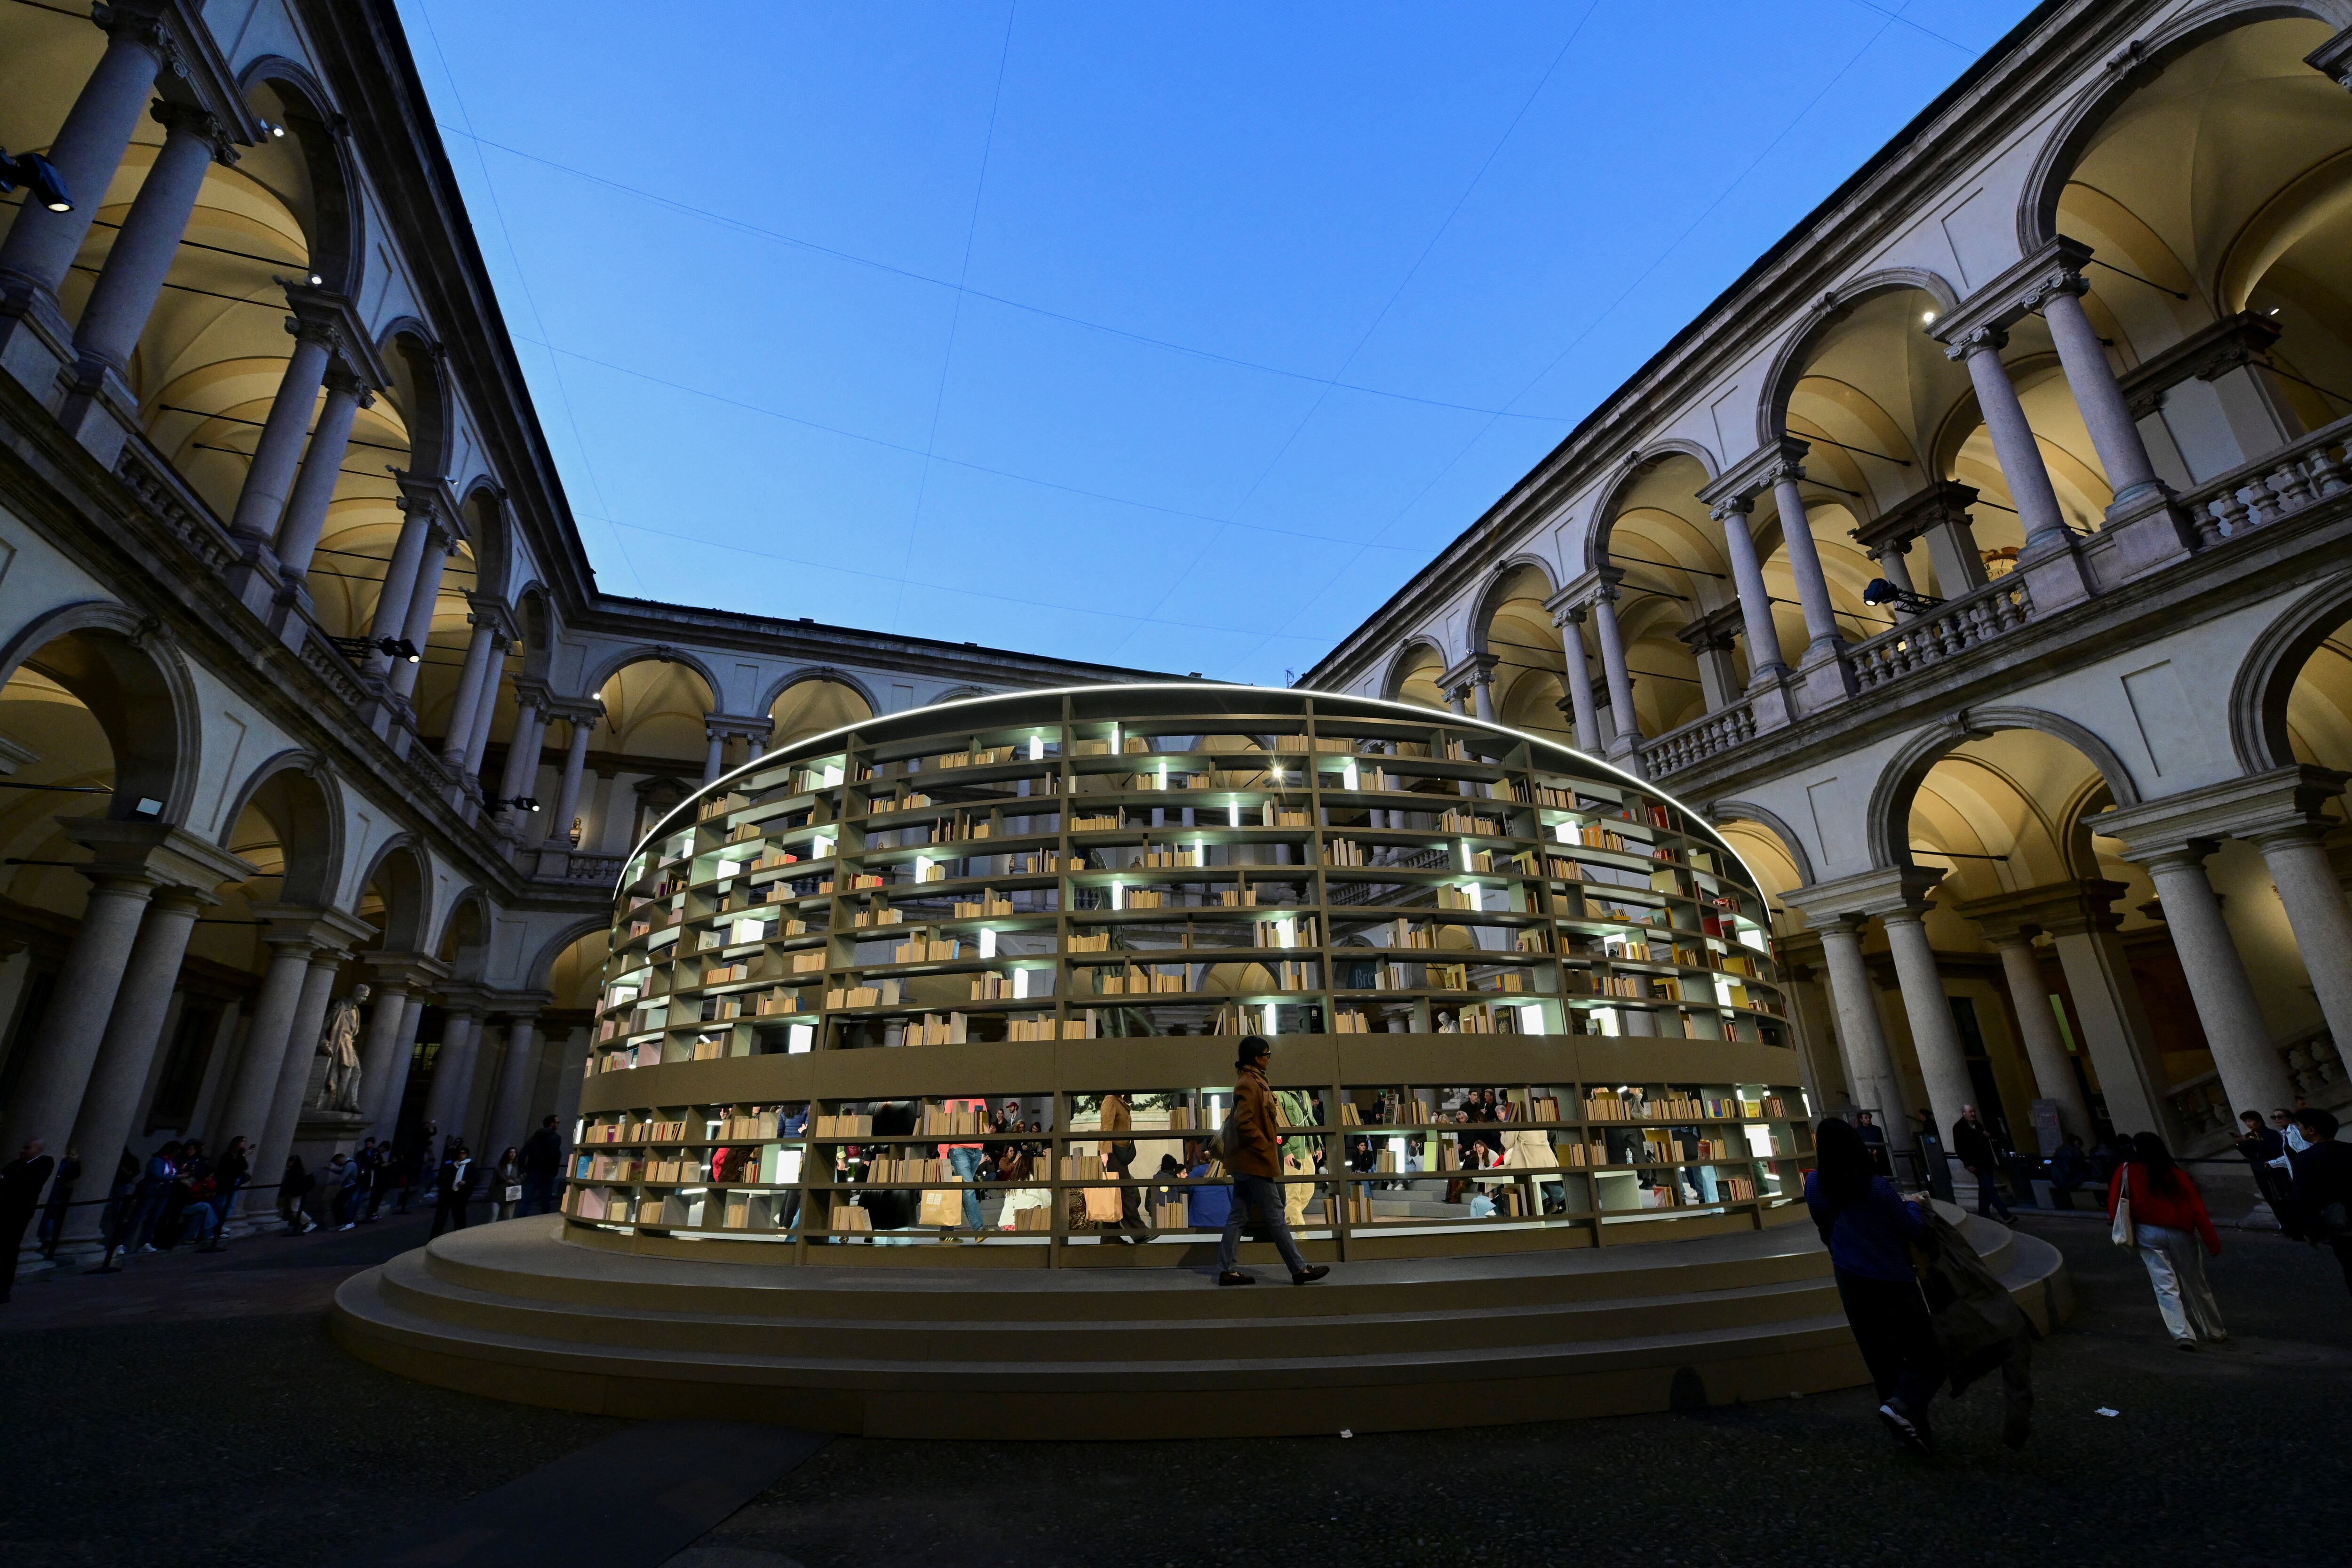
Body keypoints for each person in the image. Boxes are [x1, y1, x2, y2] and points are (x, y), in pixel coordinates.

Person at [1805, 1115, 1939, 1454]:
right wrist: (1913, 1205)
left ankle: (1909, 1433)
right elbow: (1911, 1229)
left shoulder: (1814, 1185)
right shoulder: (1875, 1186)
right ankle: (1906, 1409)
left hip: (1850, 1276)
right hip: (1891, 1277)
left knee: (1881, 1358)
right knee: (1929, 1354)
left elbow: (1824, 1227)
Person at [1214, 1036, 1327, 1287]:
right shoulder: (1248, 1084)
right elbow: (1243, 1122)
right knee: (1276, 1215)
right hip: (1255, 1161)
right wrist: (1264, 1144)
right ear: (1257, 1058)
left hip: (1248, 1162)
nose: (1269, 1059)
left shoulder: (1253, 1081)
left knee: (1238, 1216)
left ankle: (1227, 1270)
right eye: (1267, 1054)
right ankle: (1299, 1269)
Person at [2107, 1130, 2225, 1349]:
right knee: (2196, 1283)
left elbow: (2115, 1203)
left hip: (2147, 1232)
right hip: (2182, 1232)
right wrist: (2212, 1241)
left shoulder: (2127, 1171)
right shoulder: (2176, 1174)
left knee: (2164, 1285)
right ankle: (2214, 1329)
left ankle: (2183, 1334)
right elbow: (2198, 1210)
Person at [2283, 1107, 2352, 1296]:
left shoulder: (2305, 1159)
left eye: (2299, 1127)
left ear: (2311, 1130)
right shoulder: (2350, 1149)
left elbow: (2304, 1198)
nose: (2298, 1130)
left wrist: (2310, 1231)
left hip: (2341, 1223)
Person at [1, 1138, 55, 1304]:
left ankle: (3, 1288)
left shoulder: (42, 1164)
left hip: (18, 1212)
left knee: (9, 1249)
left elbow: (25, 1183)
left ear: (38, 1149)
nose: (23, 1151)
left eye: (27, 1148)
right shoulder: (16, 1164)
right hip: (6, 1209)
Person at [1097, 1090, 1146, 1242]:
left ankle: (1110, 1239)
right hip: (1112, 1155)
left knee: (1114, 1197)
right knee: (1126, 1193)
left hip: (1119, 1155)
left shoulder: (1121, 1102)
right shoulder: (1110, 1100)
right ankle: (1139, 1232)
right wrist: (1104, 1153)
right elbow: (1106, 1127)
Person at [1951, 1105, 2014, 1222]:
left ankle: (1984, 1213)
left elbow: (1983, 1141)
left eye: (1974, 1111)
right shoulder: (1959, 1127)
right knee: (1990, 1188)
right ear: (1964, 1113)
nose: (1973, 1114)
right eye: (1970, 1112)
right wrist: (1967, 1163)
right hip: (1976, 1163)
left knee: (1985, 1188)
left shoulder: (1978, 1125)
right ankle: (2006, 1215)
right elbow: (1960, 1147)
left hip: (1986, 1161)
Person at [35, 1145, 77, 1259]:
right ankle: (42, 1242)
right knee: (46, 1219)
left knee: (50, 1220)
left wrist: (74, 1162)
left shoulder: (67, 1164)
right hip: (51, 1194)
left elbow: (73, 1175)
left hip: (56, 1195)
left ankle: (45, 1243)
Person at [519, 1115, 563, 1217]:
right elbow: (554, 1156)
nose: (558, 1124)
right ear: (552, 1124)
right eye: (557, 1122)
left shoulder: (534, 1137)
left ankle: (519, 1220)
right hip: (547, 1174)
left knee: (526, 1200)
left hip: (532, 1171)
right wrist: (553, 1172)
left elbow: (523, 1154)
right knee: (546, 1202)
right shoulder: (556, 1138)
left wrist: (523, 1171)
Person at [431, 1141, 477, 1237]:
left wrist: (466, 1183)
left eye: (463, 1153)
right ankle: (435, 1237)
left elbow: (475, 1179)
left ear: (467, 1155)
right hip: (447, 1195)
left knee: (459, 1218)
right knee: (441, 1218)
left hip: (460, 1196)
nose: (461, 1155)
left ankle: (458, 1237)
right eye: (459, 1153)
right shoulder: (450, 1166)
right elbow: (441, 1179)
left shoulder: (471, 1166)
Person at [278, 1154, 318, 1234]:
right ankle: (306, 1223)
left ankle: (309, 1223)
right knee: (295, 1209)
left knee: (295, 1210)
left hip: (296, 1192)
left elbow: (289, 1183)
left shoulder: (293, 1172)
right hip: (298, 1192)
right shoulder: (299, 1170)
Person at [490, 1146, 523, 1222]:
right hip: (499, 1193)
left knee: (508, 1218)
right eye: (511, 1152)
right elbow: (494, 1181)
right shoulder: (500, 1167)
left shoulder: (517, 1167)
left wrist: (514, 1182)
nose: (513, 1154)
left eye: (514, 1152)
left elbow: (521, 1178)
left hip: (511, 1193)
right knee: (493, 1217)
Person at [1853, 1110, 1891, 1177]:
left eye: (1869, 1118)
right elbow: (1858, 1143)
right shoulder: (1858, 1130)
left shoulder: (1877, 1129)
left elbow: (1882, 1141)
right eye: (1866, 1118)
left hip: (1878, 1156)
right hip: (1866, 1156)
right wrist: (1865, 1150)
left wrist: (1877, 1149)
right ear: (1861, 1119)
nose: (1868, 1119)